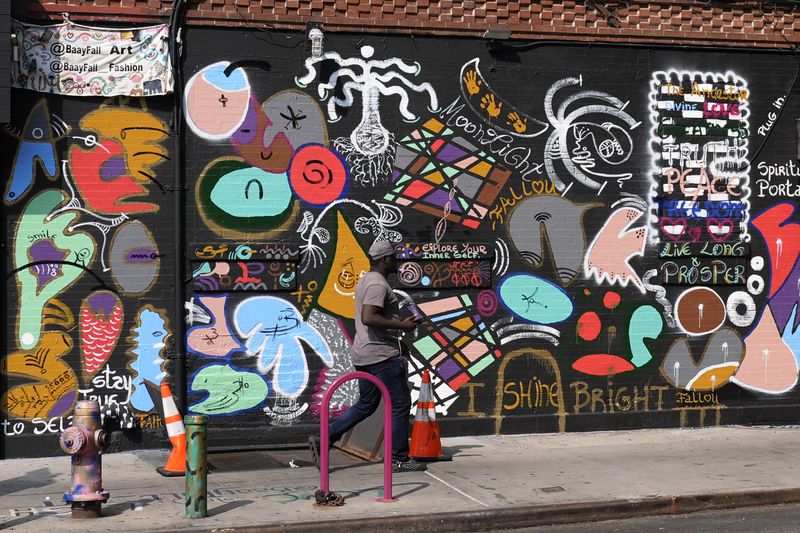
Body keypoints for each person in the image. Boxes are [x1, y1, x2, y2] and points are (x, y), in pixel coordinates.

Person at [309, 239, 427, 472]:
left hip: (366, 353)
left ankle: (324, 438)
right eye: (394, 256)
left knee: (367, 404)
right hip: (381, 357)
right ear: (385, 259)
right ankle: (399, 459)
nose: (398, 260)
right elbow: (369, 318)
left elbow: (372, 322)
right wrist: (402, 326)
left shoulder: (367, 280)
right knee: (400, 404)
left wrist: (396, 338)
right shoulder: (377, 286)